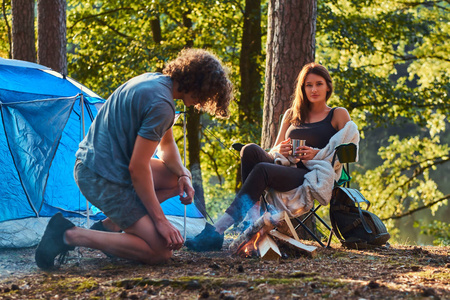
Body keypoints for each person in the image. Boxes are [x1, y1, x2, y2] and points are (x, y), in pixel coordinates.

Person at [35, 48, 233, 269]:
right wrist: (161, 221)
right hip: (100, 176)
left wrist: (183, 174)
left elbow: (166, 145)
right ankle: (68, 234)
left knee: (173, 178)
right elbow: (138, 168)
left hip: (105, 166)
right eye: (205, 95)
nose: (201, 102)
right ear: (197, 84)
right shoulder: (161, 105)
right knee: (160, 252)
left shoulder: (156, 83)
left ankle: (111, 226)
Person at [185, 62, 359, 252]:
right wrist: (281, 150)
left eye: (318, 84)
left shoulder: (337, 114)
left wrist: (317, 153)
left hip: (310, 173)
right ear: (302, 88)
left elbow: (348, 149)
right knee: (249, 150)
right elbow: (273, 149)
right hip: (285, 166)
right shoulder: (291, 115)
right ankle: (253, 219)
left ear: (328, 86)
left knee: (262, 170)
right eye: (308, 85)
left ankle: (218, 230)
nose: (314, 89)